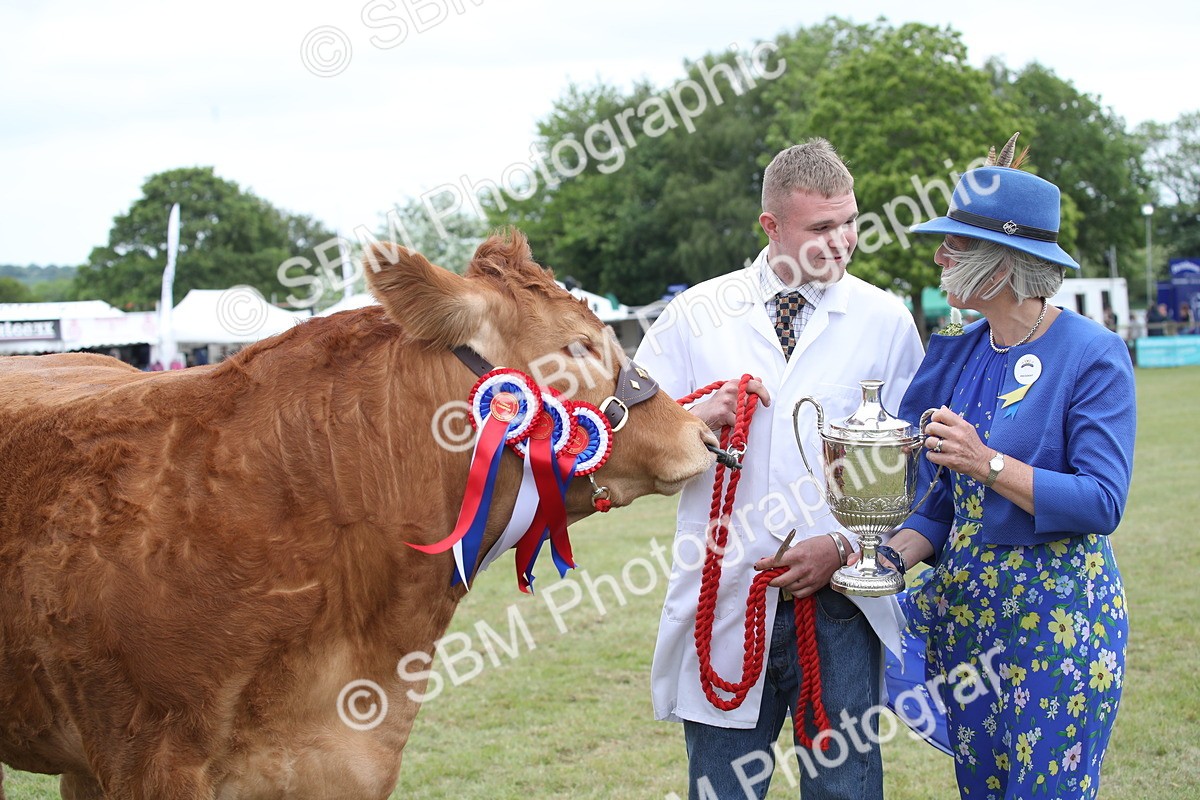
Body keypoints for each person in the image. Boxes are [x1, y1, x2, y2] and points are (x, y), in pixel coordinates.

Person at [635, 139, 924, 800]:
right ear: (771, 226)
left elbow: (913, 474)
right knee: (722, 789)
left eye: (849, 222)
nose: (842, 240)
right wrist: (699, 414)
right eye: (821, 227)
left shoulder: (885, 321)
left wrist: (846, 545)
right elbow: (631, 438)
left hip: (841, 606)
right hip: (729, 595)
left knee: (843, 791)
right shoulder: (696, 316)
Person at [869, 134, 1136, 799]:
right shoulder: (957, 353)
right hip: (967, 625)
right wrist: (890, 560)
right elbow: (938, 503)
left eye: (955, 245)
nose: (939, 256)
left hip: (1058, 627)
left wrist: (990, 463)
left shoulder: (1093, 355)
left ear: (999, 267)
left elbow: (1103, 501)